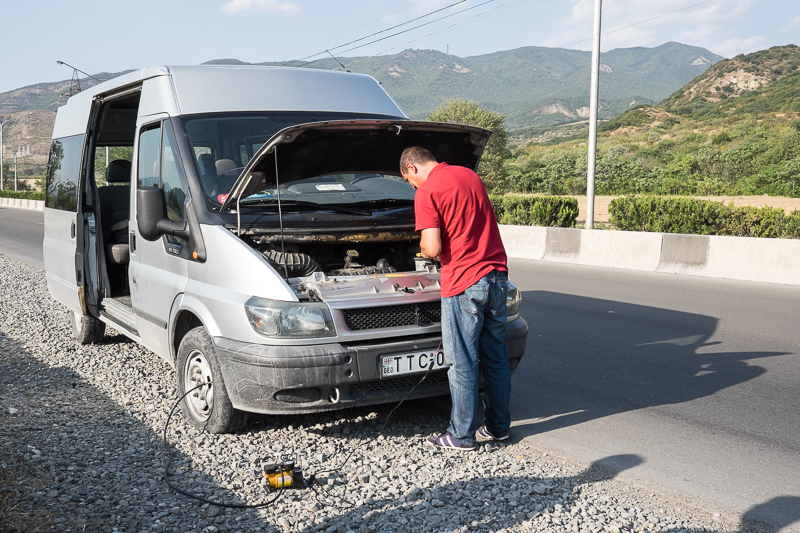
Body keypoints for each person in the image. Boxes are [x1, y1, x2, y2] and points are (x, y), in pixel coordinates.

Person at [400, 146, 511, 451]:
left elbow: (433, 248)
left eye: (409, 181)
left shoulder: (427, 191)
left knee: (461, 362)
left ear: (412, 167)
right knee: (496, 358)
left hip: (464, 282)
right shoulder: (469, 176)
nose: (413, 187)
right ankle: (498, 428)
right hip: (496, 277)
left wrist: (423, 249)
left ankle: (461, 436)